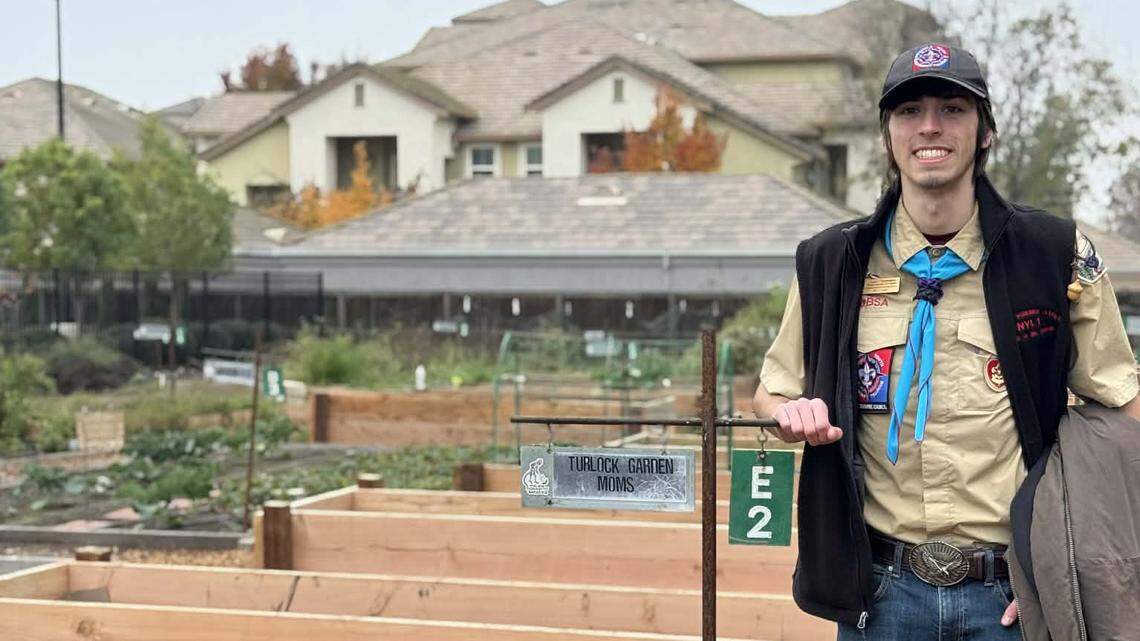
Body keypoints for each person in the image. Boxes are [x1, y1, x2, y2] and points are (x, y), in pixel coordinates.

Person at [752, 42, 1140, 639]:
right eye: (909, 112)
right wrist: (791, 413)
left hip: (1011, 596)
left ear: (985, 132)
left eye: (952, 109)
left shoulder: (1057, 256)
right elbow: (771, 394)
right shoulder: (833, 262)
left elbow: (1123, 408)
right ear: (888, 135)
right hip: (880, 594)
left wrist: (1061, 569)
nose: (929, 126)